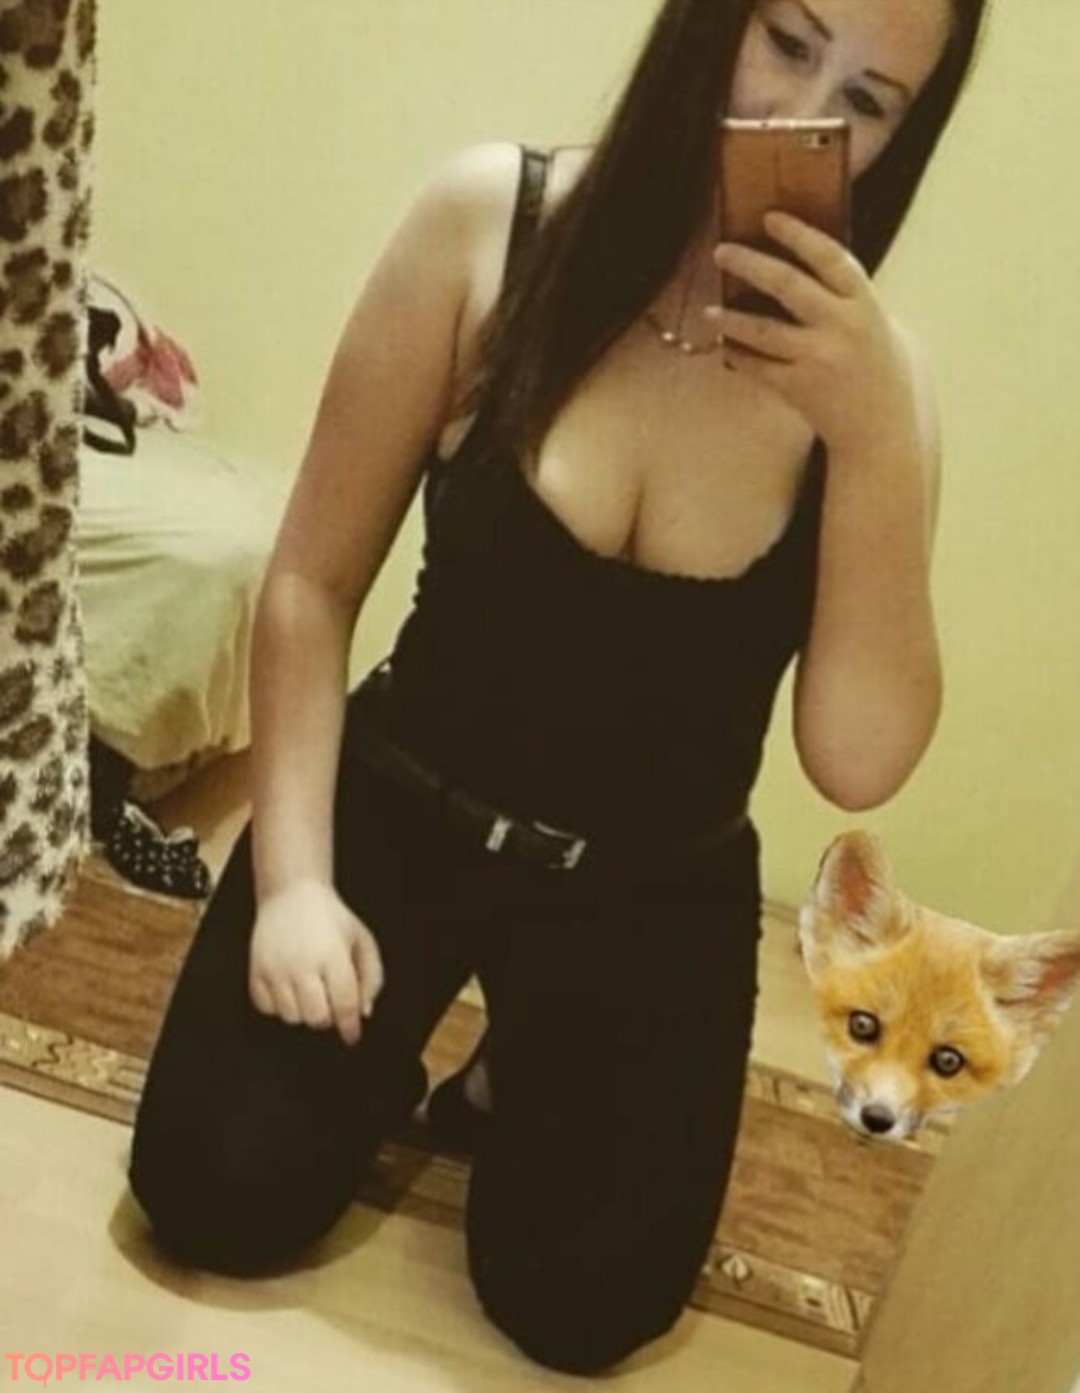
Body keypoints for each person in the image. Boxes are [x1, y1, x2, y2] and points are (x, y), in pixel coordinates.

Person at [128, 0, 988, 1375]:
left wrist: (877, 433)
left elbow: (858, 757)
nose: (804, 112)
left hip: (652, 881)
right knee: (211, 1187)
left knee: (581, 1305)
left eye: (871, 99)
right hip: (404, 801)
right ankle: (405, 1049)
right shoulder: (492, 224)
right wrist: (292, 881)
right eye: (788, 38)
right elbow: (309, 585)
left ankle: (502, 1076)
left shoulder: (878, 387)